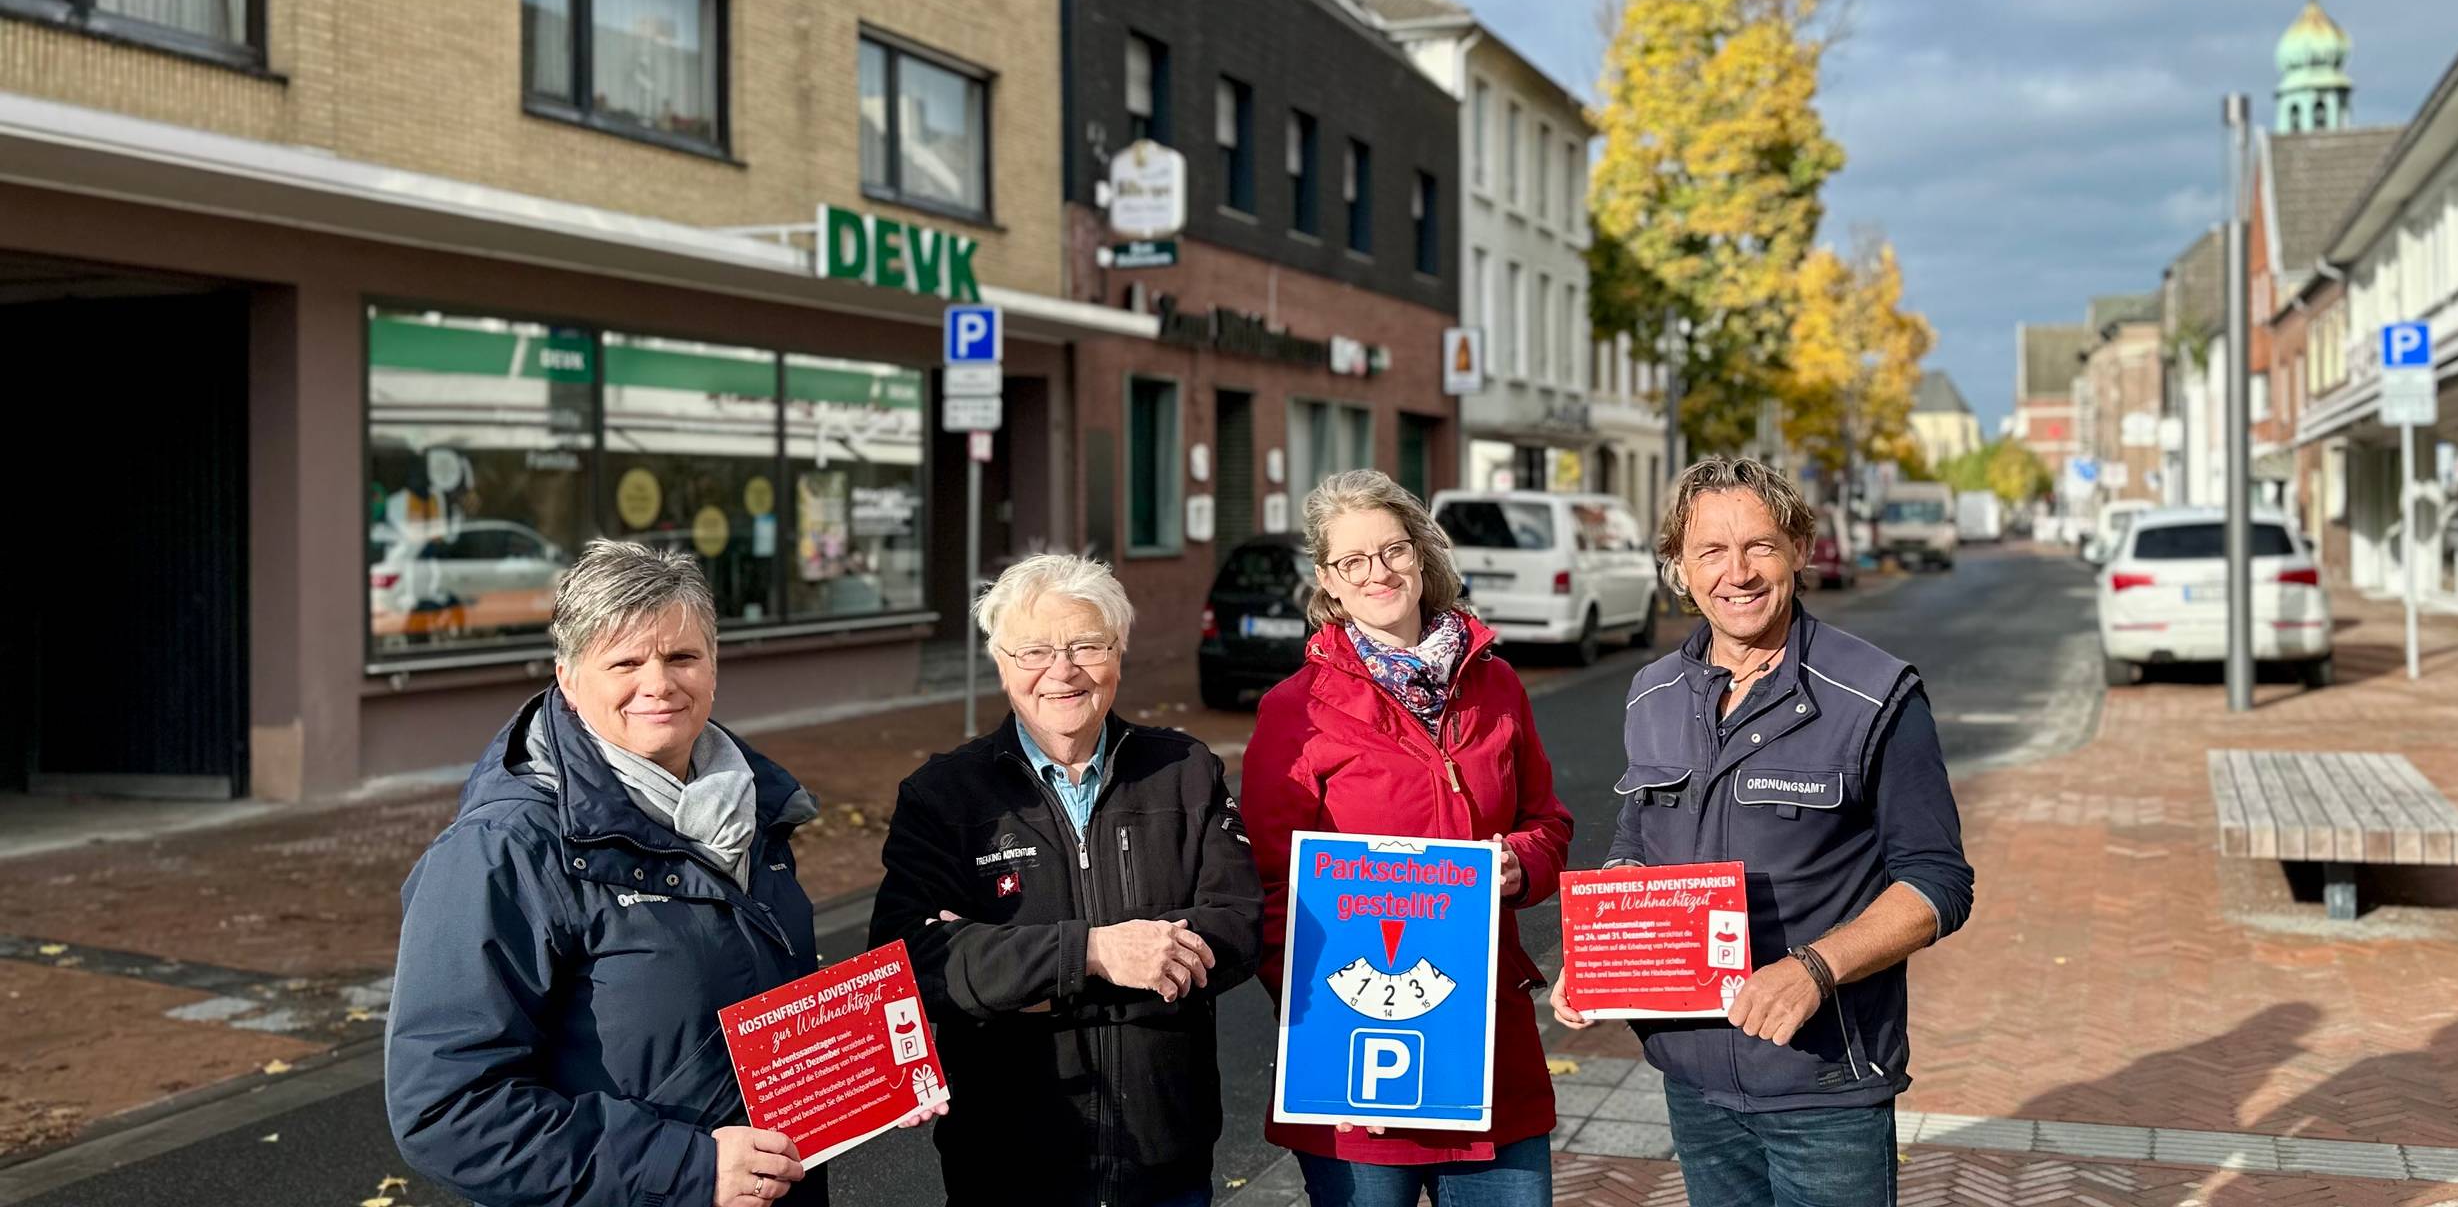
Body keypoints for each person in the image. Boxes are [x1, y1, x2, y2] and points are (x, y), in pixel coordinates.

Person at [386, 541, 941, 1207]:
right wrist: (688, 1168)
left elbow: (729, 1000)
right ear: (567, 677)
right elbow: (447, 1113)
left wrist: (867, 1067)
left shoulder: (748, 805)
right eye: (625, 662)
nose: (659, 684)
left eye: (682, 656)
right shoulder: (501, 851)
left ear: (714, 665)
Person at [1549, 457, 1975, 1207]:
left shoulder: (1875, 696)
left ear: (1800, 550)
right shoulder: (1653, 693)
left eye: (1759, 546)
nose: (1736, 573)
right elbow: (1637, 835)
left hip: (1825, 1084)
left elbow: (1938, 882)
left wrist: (1814, 968)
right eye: (1710, 550)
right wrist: (1606, 938)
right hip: (1694, 1079)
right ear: (1679, 566)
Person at [867, 553, 1260, 1206]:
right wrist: (1097, 954)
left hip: (1165, 1169)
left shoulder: (1184, 769)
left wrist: (1008, 977)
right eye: (1034, 651)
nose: (1062, 670)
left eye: (1086, 644)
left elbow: (1238, 928)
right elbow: (908, 968)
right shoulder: (943, 795)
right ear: (1000, 662)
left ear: (1119, 652)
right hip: (1005, 1171)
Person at [1242, 470, 1576, 1206]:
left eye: (1391, 550)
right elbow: (1271, 886)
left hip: (1488, 1047)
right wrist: (1316, 1014)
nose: (1377, 573)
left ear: (1422, 556)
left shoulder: (1497, 685)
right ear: (1328, 581)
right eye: (1352, 561)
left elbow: (1549, 824)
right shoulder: (1293, 711)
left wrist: (1520, 865)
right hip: (1356, 1055)